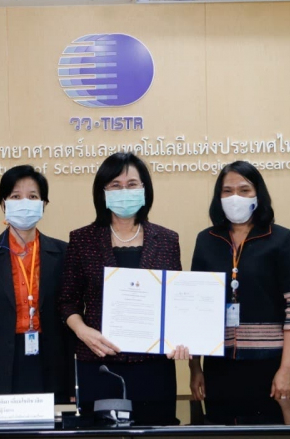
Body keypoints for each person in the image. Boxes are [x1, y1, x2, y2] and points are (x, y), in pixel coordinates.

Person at [58, 152, 187, 423]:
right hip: (99, 364)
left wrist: (181, 339)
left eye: (131, 184)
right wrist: (83, 331)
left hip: (154, 368)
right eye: (115, 185)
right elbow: (67, 301)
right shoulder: (82, 239)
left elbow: (176, 302)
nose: (124, 191)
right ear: (102, 192)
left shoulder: (166, 239)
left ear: (144, 189)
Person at [188, 161, 290, 414]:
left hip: (270, 364)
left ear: (258, 194)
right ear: (218, 197)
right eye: (227, 191)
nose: (235, 197)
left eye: (244, 190)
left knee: (271, 430)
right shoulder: (206, 240)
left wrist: (287, 368)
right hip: (218, 365)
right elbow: (195, 308)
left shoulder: (281, 238)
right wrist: (195, 367)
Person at [0, 165, 71, 402]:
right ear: (3, 204)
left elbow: (70, 322)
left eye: (33, 197)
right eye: (16, 196)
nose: (24, 203)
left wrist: (73, 385)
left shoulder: (63, 253)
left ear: (44, 204)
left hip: (50, 366)